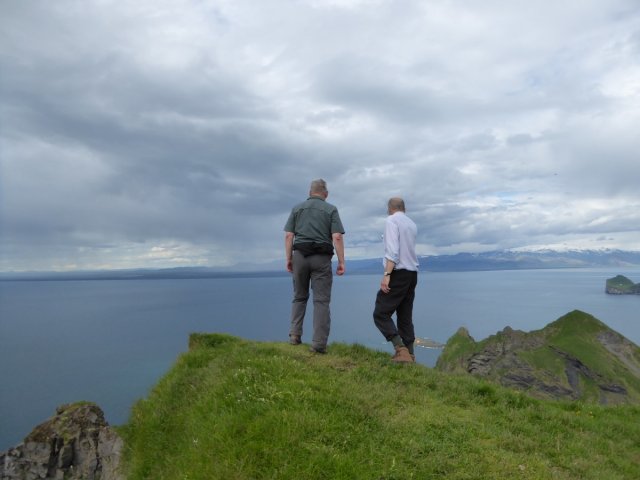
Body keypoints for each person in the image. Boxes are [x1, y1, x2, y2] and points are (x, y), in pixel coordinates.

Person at [284, 179, 346, 353]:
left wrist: (289, 259)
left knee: (299, 297)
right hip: (321, 258)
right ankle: (318, 344)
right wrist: (341, 261)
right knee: (321, 301)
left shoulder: (297, 208)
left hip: (300, 256)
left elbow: (289, 236)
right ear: (326, 194)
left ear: (310, 192)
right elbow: (337, 237)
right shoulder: (331, 209)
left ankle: (294, 336)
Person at [373, 197, 419, 363]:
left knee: (380, 313)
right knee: (405, 316)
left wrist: (387, 275)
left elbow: (393, 251)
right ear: (403, 208)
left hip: (398, 273)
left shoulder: (391, 221)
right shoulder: (412, 224)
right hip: (412, 274)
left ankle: (401, 350)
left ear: (390, 208)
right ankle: (410, 354)